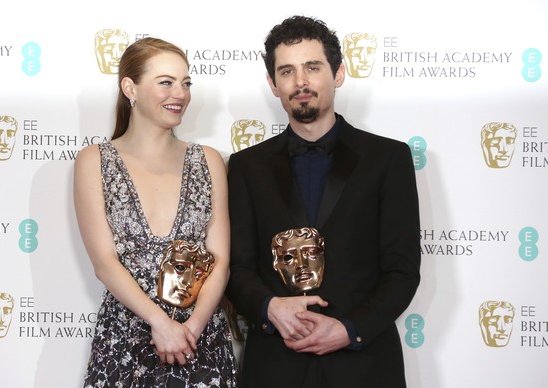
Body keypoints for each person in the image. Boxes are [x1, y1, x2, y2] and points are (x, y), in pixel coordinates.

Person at [226, 16, 421, 387]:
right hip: (275, 363)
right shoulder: (245, 166)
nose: (300, 82)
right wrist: (270, 309)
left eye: (312, 67)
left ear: (338, 73)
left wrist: (350, 329)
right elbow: (237, 268)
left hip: (364, 364)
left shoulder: (388, 159)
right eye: (287, 71)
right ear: (273, 84)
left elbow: (402, 270)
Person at [74, 37, 237, 387]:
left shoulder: (208, 161)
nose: (180, 93)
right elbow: (104, 263)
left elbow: (220, 260)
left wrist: (190, 329)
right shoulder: (94, 161)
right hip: (125, 339)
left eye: (186, 82)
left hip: (200, 339)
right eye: (166, 82)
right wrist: (161, 324)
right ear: (130, 88)